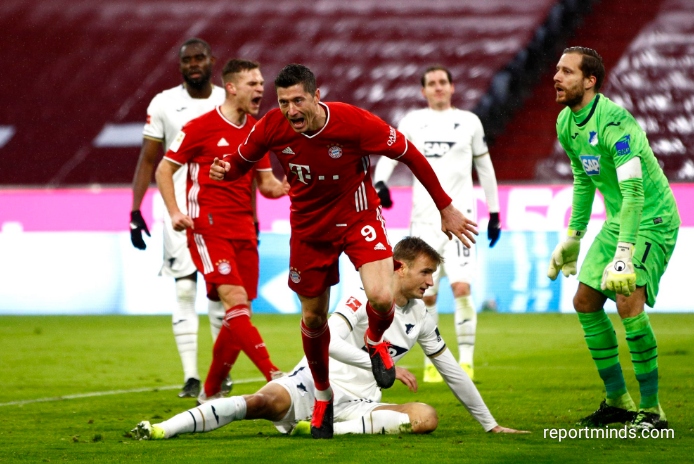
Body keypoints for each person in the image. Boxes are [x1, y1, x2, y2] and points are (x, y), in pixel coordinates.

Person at [210, 64, 478, 439]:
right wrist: (225, 169)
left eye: (298, 100)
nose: (290, 110)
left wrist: (445, 207)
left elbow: (410, 153)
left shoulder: (353, 122)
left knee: (382, 297)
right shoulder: (272, 125)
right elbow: (241, 163)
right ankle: (323, 396)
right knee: (314, 318)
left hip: (357, 216)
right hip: (309, 229)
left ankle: (375, 342)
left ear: (316, 96)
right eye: (284, 102)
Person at [131, 237, 528, 440]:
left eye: (433, 274)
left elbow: (451, 370)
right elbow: (325, 342)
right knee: (259, 403)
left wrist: (490, 425)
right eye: (425, 272)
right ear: (399, 267)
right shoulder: (363, 296)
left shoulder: (420, 316)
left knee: (426, 417)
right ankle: (162, 428)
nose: (430, 282)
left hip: (358, 404)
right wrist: (380, 362)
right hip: (314, 383)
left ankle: (318, 430)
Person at [549, 47, 680, 431]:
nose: (556, 77)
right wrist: (573, 237)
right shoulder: (565, 123)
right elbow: (583, 179)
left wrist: (624, 253)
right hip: (618, 220)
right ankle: (618, 402)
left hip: (652, 219)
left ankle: (652, 411)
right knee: (585, 301)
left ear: (590, 81)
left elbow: (635, 192)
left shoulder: (616, 123)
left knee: (627, 301)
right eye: (557, 70)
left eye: (567, 72)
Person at [155, 59, 289, 399]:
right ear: (231, 87)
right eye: (253, 83)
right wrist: (175, 212)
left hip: (245, 229)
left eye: (261, 83)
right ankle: (273, 373)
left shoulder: (256, 131)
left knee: (239, 313)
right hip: (208, 226)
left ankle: (211, 390)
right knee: (236, 300)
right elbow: (163, 170)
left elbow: (267, 185)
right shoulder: (199, 127)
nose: (261, 89)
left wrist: (289, 186)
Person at [373, 65, 501, 383]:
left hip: (461, 219)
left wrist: (495, 212)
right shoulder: (413, 121)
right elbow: (391, 151)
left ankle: (466, 362)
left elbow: (485, 167)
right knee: (426, 294)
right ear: (423, 91)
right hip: (424, 221)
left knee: (461, 287)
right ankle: (432, 361)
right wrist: (380, 181)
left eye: (443, 81)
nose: (438, 87)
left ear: (452, 87)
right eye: (432, 83)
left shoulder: (469, 122)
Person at [129, 38, 228, 398]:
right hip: (178, 210)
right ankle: (190, 376)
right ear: (181, 65)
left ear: (212, 60)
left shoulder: (228, 101)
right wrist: (135, 210)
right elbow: (148, 160)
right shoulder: (164, 103)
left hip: (221, 208)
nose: (193, 64)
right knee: (185, 288)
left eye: (199, 58)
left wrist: (252, 215)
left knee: (218, 292)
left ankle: (220, 373)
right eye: (187, 60)